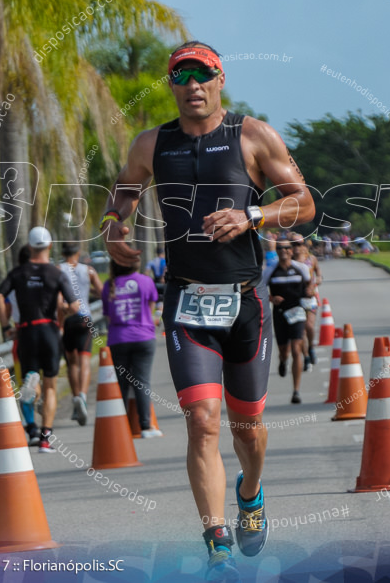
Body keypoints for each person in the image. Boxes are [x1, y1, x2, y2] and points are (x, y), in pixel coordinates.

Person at [102, 40, 314, 580]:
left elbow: (305, 203)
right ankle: (216, 537)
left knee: (248, 428)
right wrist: (113, 226)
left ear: (220, 79)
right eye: (182, 75)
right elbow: (125, 189)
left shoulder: (253, 135)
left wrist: (254, 215)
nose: (193, 84)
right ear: (171, 84)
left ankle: (251, 491)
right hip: (186, 299)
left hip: (246, 303)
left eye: (204, 74)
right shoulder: (153, 143)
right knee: (202, 420)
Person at [0, 226, 80, 453]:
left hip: (26, 331)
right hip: (49, 331)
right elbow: (73, 305)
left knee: (32, 377)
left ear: (30, 247)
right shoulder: (56, 273)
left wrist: (5, 326)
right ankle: (45, 438)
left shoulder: (18, 273)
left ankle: (32, 392)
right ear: (50, 246)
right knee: (51, 385)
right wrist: (66, 309)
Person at [103, 258, 162, 438]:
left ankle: (119, 429)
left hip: (118, 339)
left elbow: (108, 317)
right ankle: (146, 427)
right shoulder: (146, 281)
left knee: (119, 385)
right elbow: (151, 309)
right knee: (141, 382)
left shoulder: (109, 285)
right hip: (143, 337)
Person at [58, 243, 102, 426]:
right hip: (85, 319)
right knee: (84, 359)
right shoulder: (89, 270)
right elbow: (101, 292)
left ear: (62, 253)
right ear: (78, 252)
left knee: (71, 363)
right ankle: (83, 396)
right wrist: (86, 292)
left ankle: (76, 398)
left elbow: (59, 302)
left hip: (68, 319)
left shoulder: (57, 270)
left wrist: (60, 323)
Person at [265, 240, 313, 403]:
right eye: (280, 248)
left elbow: (310, 284)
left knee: (296, 349)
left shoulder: (301, 268)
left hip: (298, 311)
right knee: (285, 351)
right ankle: (282, 361)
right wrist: (272, 298)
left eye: (287, 247)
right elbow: (259, 292)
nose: (283, 250)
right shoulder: (270, 270)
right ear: (276, 251)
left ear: (292, 250)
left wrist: (309, 290)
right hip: (280, 313)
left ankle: (296, 391)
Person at [6, 245, 42, 445]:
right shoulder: (45, 277)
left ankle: (33, 429)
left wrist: (7, 327)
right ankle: (36, 396)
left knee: (26, 382)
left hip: (21, 335)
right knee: (41, 382)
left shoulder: (13, 281)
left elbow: (2, 302)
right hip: (44, 333)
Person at [291, 239, 321, 370]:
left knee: (309, 326)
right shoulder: (289, 260)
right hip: (295, 299)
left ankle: (311, 348)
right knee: (300, 330)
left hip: (310, 298)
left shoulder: (311, 259)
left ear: (304, 245)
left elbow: (319, 275)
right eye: (293, 244)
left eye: (299, 244)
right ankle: (306, 356)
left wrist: (316, 283)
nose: (297, 247)